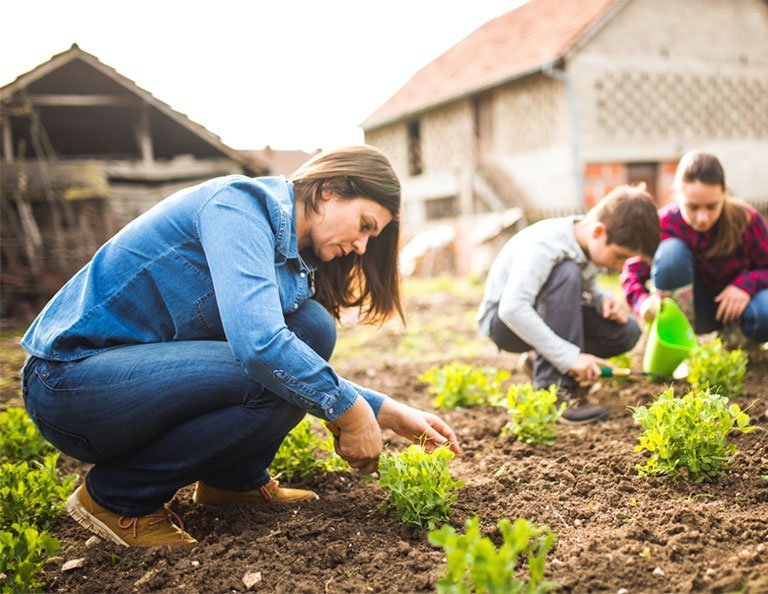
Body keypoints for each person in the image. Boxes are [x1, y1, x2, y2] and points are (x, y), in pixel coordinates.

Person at [19, 145, 461, 550]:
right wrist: (351, 411)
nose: (361, 246)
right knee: (274, 375)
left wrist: (388, 411)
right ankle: (117, 498)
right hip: (69, 383)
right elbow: (262, 349)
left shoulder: (288, 258)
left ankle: (233, 482)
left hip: (130, 388)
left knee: (312, 327)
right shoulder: (238, 208)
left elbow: (281, 349)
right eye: (365, 225)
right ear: (328, 191)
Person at [476, 185, 661, 423]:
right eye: (620, 256)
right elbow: (512, 308)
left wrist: (600, 298)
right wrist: (569, 358)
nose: (619, 265)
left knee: (626, 332)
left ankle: (539, 362)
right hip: (504, 324)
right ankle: (555, 390)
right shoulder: (546, 245)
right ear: (598, 232)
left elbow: (584, 286)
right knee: (566, 271)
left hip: (539, 314)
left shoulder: (586, 244)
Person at [621, 150, 768, 346]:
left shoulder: (745, 219)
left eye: (711, 207)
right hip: (691, 309)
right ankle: (678, 340)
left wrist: (744, 286)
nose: (702, 218)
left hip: (735, 309)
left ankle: (737, 338)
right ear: (677, 193)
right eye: (693, 207)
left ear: (725, 191)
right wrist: (643, 303)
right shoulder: (662, 225)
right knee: (670, 252)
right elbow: (631, 274)